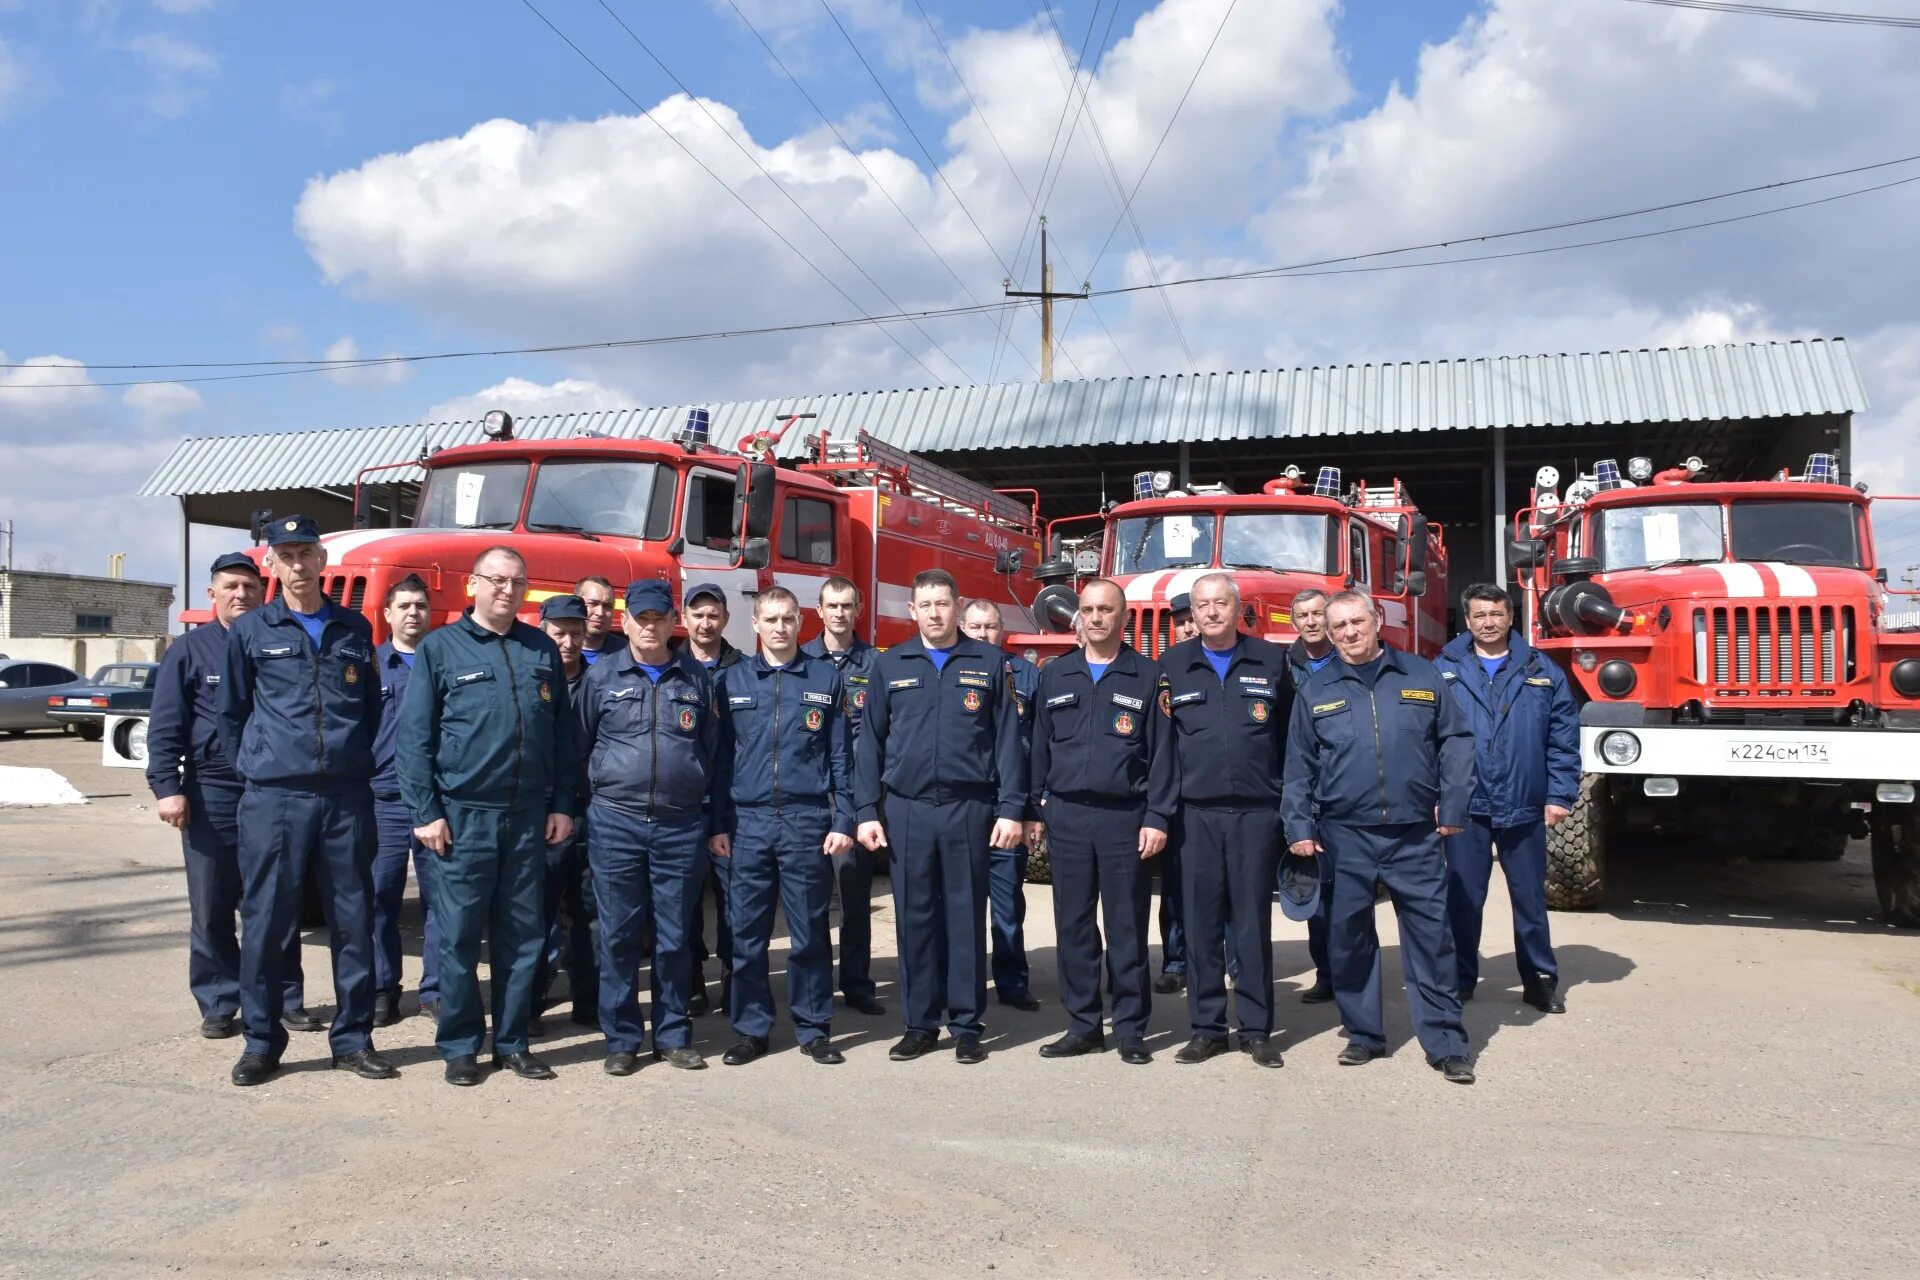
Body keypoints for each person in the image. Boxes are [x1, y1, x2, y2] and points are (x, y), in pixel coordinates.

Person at [216, 515, 390, 1087]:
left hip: (343, 795)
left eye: (305, 554)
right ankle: (263, 1042)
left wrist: (347, 755)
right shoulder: (252, 631)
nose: (296, 564)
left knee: (353, 917)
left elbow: (368, 708)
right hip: (276, 797)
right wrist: (260, 764)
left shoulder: (353, 628)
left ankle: (353, 1038)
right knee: (267, 921)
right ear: (272, 564)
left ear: (322, 560)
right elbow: (233, 714)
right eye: (285, 555)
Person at [397, 548, 579, 1086]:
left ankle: (513, 1041)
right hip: (462, 816)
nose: (507, 590)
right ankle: (459, 1046)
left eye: (517, 582)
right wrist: (426, 812)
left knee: (522, 935)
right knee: (456, 935)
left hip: (526, 817)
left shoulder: (540, 648)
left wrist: (563, 804)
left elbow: (562, 738)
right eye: (496, 580)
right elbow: (415, 739)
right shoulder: (440, 649)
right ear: (473, 584)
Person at [1282, 589, 1478, 1084]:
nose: (1349, 633)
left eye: (1357, 622)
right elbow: (1298, 767)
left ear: (1377, 621)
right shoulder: (1316, 690)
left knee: (1432, 940)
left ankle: (1446, 1042)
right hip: (1344, 836)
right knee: (1348, 940)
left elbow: (1455, 740)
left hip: (1415, 835)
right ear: (1328, 634)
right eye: (1338, 627)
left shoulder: (1421, 674)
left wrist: (1453, 803)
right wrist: (1299, 826)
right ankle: (1364, 1035)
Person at [855, 569, 1025, 1064]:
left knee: (966, 915)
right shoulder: (891, 666)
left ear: (957, 607)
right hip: (906, 810)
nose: (934, 612)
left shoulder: (990, 663)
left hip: (968, 808)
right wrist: (867, 811)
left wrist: (1013, 808)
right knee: (914, 917)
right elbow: (870, 743)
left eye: (942, 603)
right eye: (925, 604)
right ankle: (920, 1023)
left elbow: (1009, 743)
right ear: (912, 611)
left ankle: (968, 1024)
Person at [147, 552, 315, 1039]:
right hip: (214, 789)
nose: (241, 595)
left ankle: (285, 998)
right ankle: (220, 1001)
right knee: (213, 903)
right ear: (212, 594)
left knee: (278, 898)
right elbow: (165, 727)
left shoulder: (279, 639)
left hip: (271, 787)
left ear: (264, 592)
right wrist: (168, 789)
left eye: (249, 587)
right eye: (231, 587)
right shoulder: (190, 650)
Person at [577, 579, 721, 1074]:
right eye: (640, 617)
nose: (649, 626)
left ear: (671, 621)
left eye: (659, 617)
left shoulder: (695, 678)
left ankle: (673, 1034)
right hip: (615, 822)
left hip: (680, 827)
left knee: (675, 935)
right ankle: (620, 1039)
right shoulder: (602, 677)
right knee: (617, 935)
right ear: (625, 621)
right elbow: (580, 746)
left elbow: (712, 750)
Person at [1027, 580, 1171, 1064]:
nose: (1095, 618)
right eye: (1087, 609)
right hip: (1066, 815)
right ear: (1079, 617)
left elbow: (1163, 756)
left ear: (1123, 617)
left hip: (1124, 818)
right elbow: (1039, 746)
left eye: (1105, 610)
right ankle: (1084, 1024)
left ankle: (1131, 1029)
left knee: (1126, 926)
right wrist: (1034, 808)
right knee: (1073, 927)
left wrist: (1156, 816)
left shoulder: (1148, 676)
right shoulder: (1055, 674)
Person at [1156, 572, 1293, 1068]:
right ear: (1192, 613)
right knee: (1200, 925)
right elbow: (1164, 749)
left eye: (1220, 603)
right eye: (1202, 605)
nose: (1211, 612)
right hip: (1195, 818)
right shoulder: (1172, 665)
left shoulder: (1274, 661)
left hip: (1256, 816)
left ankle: (1256, 1029)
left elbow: (1289, 740)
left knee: (1253, 925)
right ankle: (1207, 1028)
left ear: (1238, 609)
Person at [712, 587, 854, 1065]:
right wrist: (718, 824)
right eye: (770, 619)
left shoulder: (823, 679)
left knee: (810, 930)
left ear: (801, 622)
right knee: (746, 935)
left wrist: (845, 817)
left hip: (805, 821)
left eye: (788, 619)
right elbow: (719, 761)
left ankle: (814, 1028)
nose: (779, 627)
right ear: (755, 624)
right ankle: (751, 1030)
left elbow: (840, 756)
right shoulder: (731, 681)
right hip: (748, 821)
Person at [1435, 584, 1578, 1014]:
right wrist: (1436, 795)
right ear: (1467, 619)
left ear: (1510, 617)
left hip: (1525, 804)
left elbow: (1563, 739)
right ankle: (1460, 978)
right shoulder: (1444, 668)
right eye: (1479, 615)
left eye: (1496, 614)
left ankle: (1539, 980)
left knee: (1530, 898)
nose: (1488, 622)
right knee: (1462, 898)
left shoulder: (1542, 669)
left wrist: (1559, 794)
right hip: (1466, 807)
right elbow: (1425, 737)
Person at [800, 576, 886, 1016]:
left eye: (846, 606)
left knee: (854, 899)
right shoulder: (800, 662)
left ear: (859, 609)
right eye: (831, 606)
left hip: (853, 798)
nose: (838, 613)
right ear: (818, 610)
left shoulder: (876, 664)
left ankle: (856, 984)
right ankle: (814, 987)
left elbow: (885, 733)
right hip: (810, 796)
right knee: (811, 899)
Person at [960, 598, 1042, 1012]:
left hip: (1008, 806)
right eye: (975, 627)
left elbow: (1038, 745)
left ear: (1002, 630)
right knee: (961, 903)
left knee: (1008, 903)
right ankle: (965, 983)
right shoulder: (954, 670)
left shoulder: (1025, 673)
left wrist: (1031, 809)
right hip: (965, 806)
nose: (983, 635)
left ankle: (1012, 983)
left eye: (990, 627)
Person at [370, 574, 440, 1026]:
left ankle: (436, 991)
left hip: (437, 804)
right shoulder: (369, 666)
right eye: (404, 606)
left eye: (420, 605)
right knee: (379, 898)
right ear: (387, 614)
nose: (413, 612)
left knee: (442, 901)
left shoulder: (444, 663)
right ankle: (381, 989)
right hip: (384, 800)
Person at [532, 594, 599, 1033]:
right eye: (559, 632)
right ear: (544, 629)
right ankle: (531, 1001)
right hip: (542, 816)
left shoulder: (602, 680)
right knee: (537, 914)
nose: (568, 640)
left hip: (592, 815)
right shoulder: (531, 678)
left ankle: (589, 1002)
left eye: (576, 632)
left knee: (591, 914)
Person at [679, 580, 745, 1018]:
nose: (706, 622)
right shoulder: (670, 664)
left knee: (732, 901)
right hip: (681, 805)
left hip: (731, 803)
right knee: (683, 902)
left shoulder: (744, 668)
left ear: (725, 618)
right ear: (684, 619)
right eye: (697, 614)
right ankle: (692, 983)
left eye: (713, 615)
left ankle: (734, 982)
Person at [1283, 587, 1342, 1005]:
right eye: (1302, 615)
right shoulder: (1281, 665)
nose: (1311, 621)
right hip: (1303, 789)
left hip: (1345, 788)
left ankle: (1353, 970)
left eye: (1318, 613)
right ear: (1294, 621)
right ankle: (1325, 973)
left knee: (1350, 893)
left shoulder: (1351, 658)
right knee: (1313, 891)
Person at [1153, 590, 1199, 995]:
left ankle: (1233, 961)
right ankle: (1176, 960)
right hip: (1177, 794)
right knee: (1176, 884)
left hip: (1219, 795)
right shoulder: (1163, 669)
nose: (1186, 626)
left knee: (1231, 890)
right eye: (1179, 620)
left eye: (1191, 618)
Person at [575, 576, 624, 663]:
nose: (600, 613)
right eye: (593, 604)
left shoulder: (626, 654)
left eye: (607, 606)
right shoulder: (555, 651)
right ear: (576, 605)